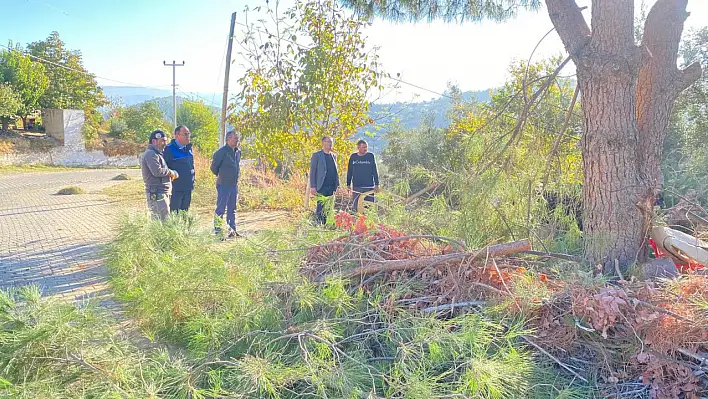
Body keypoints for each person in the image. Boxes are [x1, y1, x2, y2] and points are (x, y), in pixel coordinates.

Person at [140, 130, 178, 221]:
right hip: (157, 193)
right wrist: (171, 172)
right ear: (154, 141)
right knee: (161, 223)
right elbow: (157, 171)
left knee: (164, 221)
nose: (165, 143)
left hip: (161, 192)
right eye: (162, 141)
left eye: (165, 141)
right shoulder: (151, 154)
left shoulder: (157, 154)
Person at [210, 130, 242, 238]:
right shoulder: (221, 152)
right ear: (228, 139)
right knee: (220, 209)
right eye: (235, 138)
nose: (237, 140)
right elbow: (214, 168)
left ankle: (232, 230)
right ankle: (218, 232)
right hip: (223, 184)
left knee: (232, 209)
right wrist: (223, 175)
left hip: (234, 184)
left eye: (237, 138)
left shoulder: (238, 152)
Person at [163, 125, 195, 213]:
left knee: (185, 214)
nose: (188, 136)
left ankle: (184, 227)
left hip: (188, 188)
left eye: (189, 134)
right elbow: (165, 169)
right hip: (176, 189)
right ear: (177, 136)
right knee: (175, 214)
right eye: (185, 134)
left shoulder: (188, 148)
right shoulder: (169, 149)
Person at [309, 136, 339, 225]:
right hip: (321, 185)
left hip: (331, 186)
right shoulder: (317, 155)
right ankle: (318, 224)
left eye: (331, 142)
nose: (330, 144)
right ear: (323, 143)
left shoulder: (334, 156)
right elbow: (313, 171)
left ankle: (325, 224)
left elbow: (335, 171)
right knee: (320, 206)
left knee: (328, 207)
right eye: (328, 141)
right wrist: (313, 186)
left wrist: (337, 185)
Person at [346, 139, 380, 213]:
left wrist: (376, 184)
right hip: (357, 187)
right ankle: (357, 223)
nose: (365, 149)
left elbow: (374, 170)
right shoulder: (353, 157)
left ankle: (368, 223)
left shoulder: (370, 156)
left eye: (366, 147)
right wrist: (348, 184)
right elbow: (350, 171)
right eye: (364, 147)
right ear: (358, 147)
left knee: (369, 208)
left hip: (369, 187)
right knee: (357, 208)